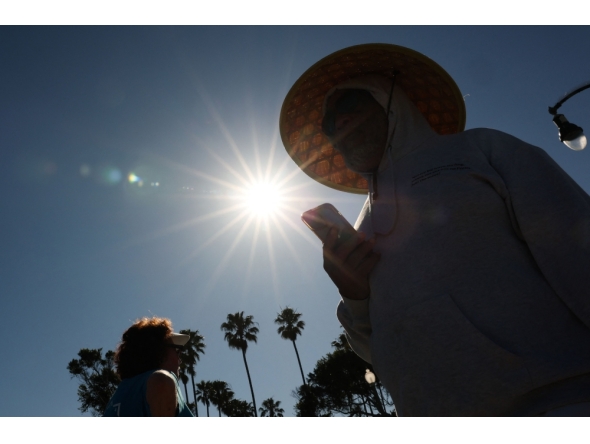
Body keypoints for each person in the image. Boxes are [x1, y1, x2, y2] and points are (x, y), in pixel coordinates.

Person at [279, 43, 590, 416]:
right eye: (330, 124)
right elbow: (374, 349)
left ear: (389, 101)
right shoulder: (362, 222)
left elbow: (576, 246)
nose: (339, 124)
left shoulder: (481, 148)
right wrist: (354, 294)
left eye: (348, 106)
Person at [103, 317, 193, 417]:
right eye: (177, 351)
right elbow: (161, 382)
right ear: (159, 351)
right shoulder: (161, 380)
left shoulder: (117, 397)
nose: (179, 359)